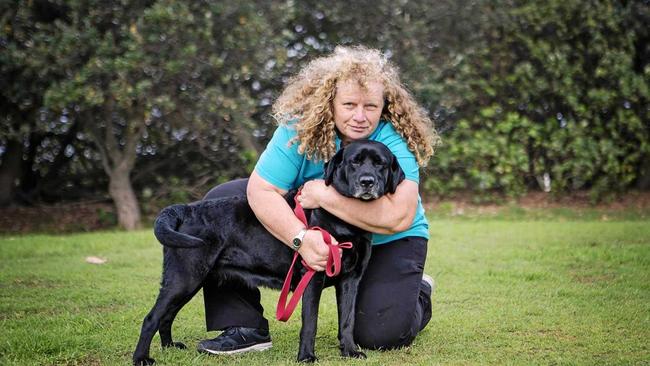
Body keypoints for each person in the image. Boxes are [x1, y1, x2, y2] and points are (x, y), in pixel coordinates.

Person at [197, 45, 440, 355]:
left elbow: (398, 217)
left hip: (387, 241)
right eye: (349, 104)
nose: (360, 116)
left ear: (385, 106)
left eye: (371, 106)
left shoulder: (394, 138)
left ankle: (416, 293)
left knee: (381, 335)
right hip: (317, 229)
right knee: (222, 201)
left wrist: (324, 195)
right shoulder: (300, 129)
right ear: (331, 101)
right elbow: (260, 191)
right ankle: (243, 326)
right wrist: (300, 239)